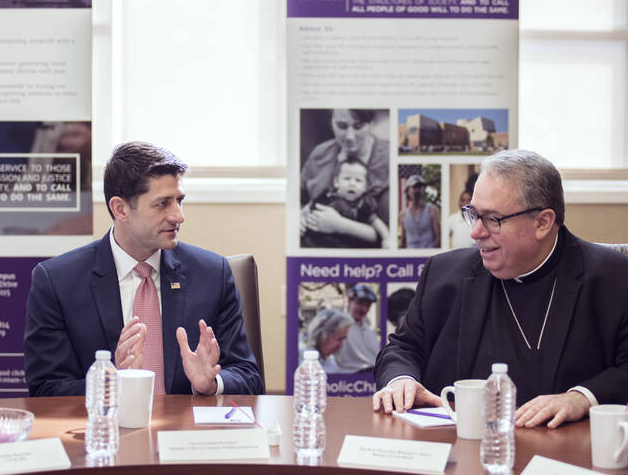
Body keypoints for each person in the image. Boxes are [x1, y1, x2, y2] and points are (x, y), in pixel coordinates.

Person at [373, 149, 628, 427]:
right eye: (473, 214)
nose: (475, 232)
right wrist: (400, 380)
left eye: (492, 219)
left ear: (543, 222)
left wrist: (581, 398)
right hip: (460, 450)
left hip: (565, 455)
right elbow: (403, 347)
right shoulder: (444, 274)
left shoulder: (619, 280)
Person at [24, 142, 263, 396]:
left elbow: (248, 376)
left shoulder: (213, 274)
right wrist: (110, 382)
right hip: (106, 429)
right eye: (162, 203)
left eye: (179, 201)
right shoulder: (57, 282)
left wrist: (212, 383)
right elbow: (46, 388)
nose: (178, 216)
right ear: (120, 209)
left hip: (185, 431)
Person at [300, 109, 389, 245]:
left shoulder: (389, 159)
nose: (349, 136)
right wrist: (299, 216)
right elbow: (299, 199)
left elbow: (389, 234)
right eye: (341, 126)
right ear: (331, 122)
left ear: (371, 124)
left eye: (358, 127)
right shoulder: (320, 153)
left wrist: (340, 225)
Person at [302, 159, 389, 248]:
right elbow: (309, 207)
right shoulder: (327, 196)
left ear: (365, 187)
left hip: (345, 247)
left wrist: (386, 238)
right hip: (316, 242)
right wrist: (302, 218)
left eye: (358, 180)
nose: (352, 184)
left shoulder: (363, 204)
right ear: (336, 182)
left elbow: (377, 223)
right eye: (347, 178)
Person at [335, 285, 381, 373]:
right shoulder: (339, 325)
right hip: (350, 378)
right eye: (359, 303)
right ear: (349, 300)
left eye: (367, 305)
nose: (363, 309)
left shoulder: (369, 331)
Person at [304, 308, 353, 373]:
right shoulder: (303, 363)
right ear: (322, 335)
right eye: (339, 339)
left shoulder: (330, 361)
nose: (341, 346)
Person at [399, 174, 440, 248]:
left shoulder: (432, 210)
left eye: (420, 187)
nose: (417, 190)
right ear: (408, 190)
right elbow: (403, 241)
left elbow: (438, 237)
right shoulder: (403, 214)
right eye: (414, 187)